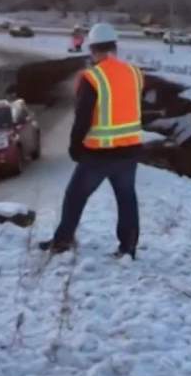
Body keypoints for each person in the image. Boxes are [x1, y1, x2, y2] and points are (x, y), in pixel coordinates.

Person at [40, 23, 144, 258]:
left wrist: (75, 147)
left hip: (99, 154)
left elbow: (82, 117)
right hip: (130, 151)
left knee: (75, 196)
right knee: (127, 199)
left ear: (93, 50)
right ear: (115, 47)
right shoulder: (135, 73)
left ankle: (63, 241)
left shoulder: (92, 77)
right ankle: (128, 248)